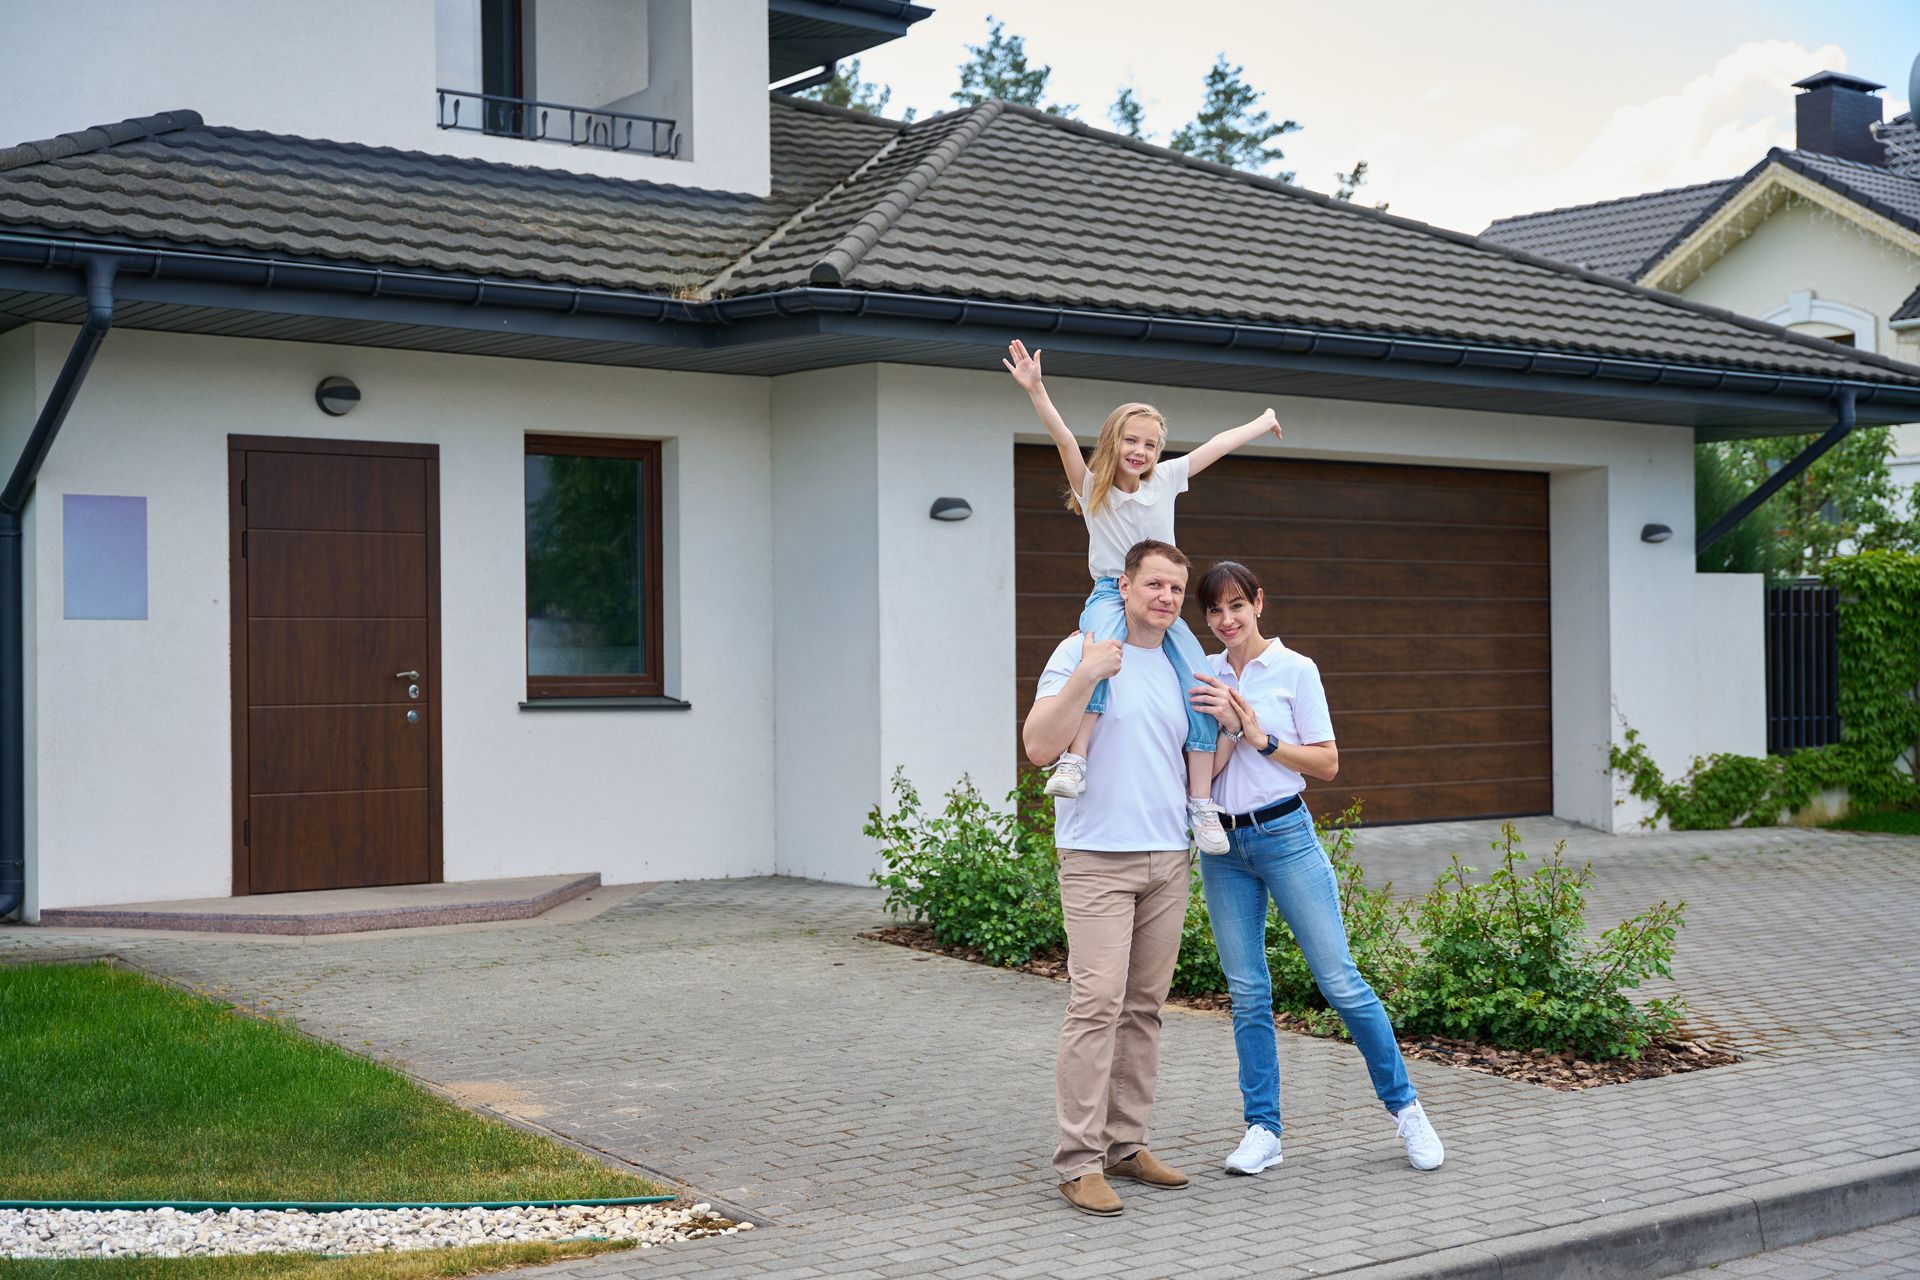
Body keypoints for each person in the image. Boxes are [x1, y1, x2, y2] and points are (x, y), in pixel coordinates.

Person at [1185, 560, 1445, 1176]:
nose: (1226, 620)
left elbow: (1326, 765)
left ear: (1259, 603)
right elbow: (1202, 772)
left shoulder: (1295, 670)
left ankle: (1408, 1111)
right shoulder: (1204, 676)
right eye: (1215, 611)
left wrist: (1259, 735)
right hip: (1225, 846)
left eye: (1236, 606)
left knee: (1340, 980)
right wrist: (1225, 730)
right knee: (1247, 992)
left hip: (1285, 834)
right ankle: (1263, 1130)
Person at [1004, 338, 1282, 855]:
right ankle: (1077, 758)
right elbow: (1064, 440)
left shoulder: (1169, 478)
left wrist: (1263, 420)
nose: (1141, 452)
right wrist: (1037, 390)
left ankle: (1200, 801)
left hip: (1160, 598)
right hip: (1112, 594)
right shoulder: (1094, 489)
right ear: (1114, 443)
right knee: (1102, 657)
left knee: (1198, 676)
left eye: (1151, 445)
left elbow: (1217, 445)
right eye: (1132, 441)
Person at [1023, 538, 1203, 1217]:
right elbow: (1039, 746)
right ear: (1123, 587)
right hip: (1098, 857)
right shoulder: (1082, 651)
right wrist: (1086, 673)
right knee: (1095, 1004)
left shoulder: (1180, 666)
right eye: (1154, 584)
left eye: (1175, 590)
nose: (1165, 597)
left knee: (1144, 1009)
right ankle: (1077, 1162)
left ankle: (1126, 1146)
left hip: (1168, 858)